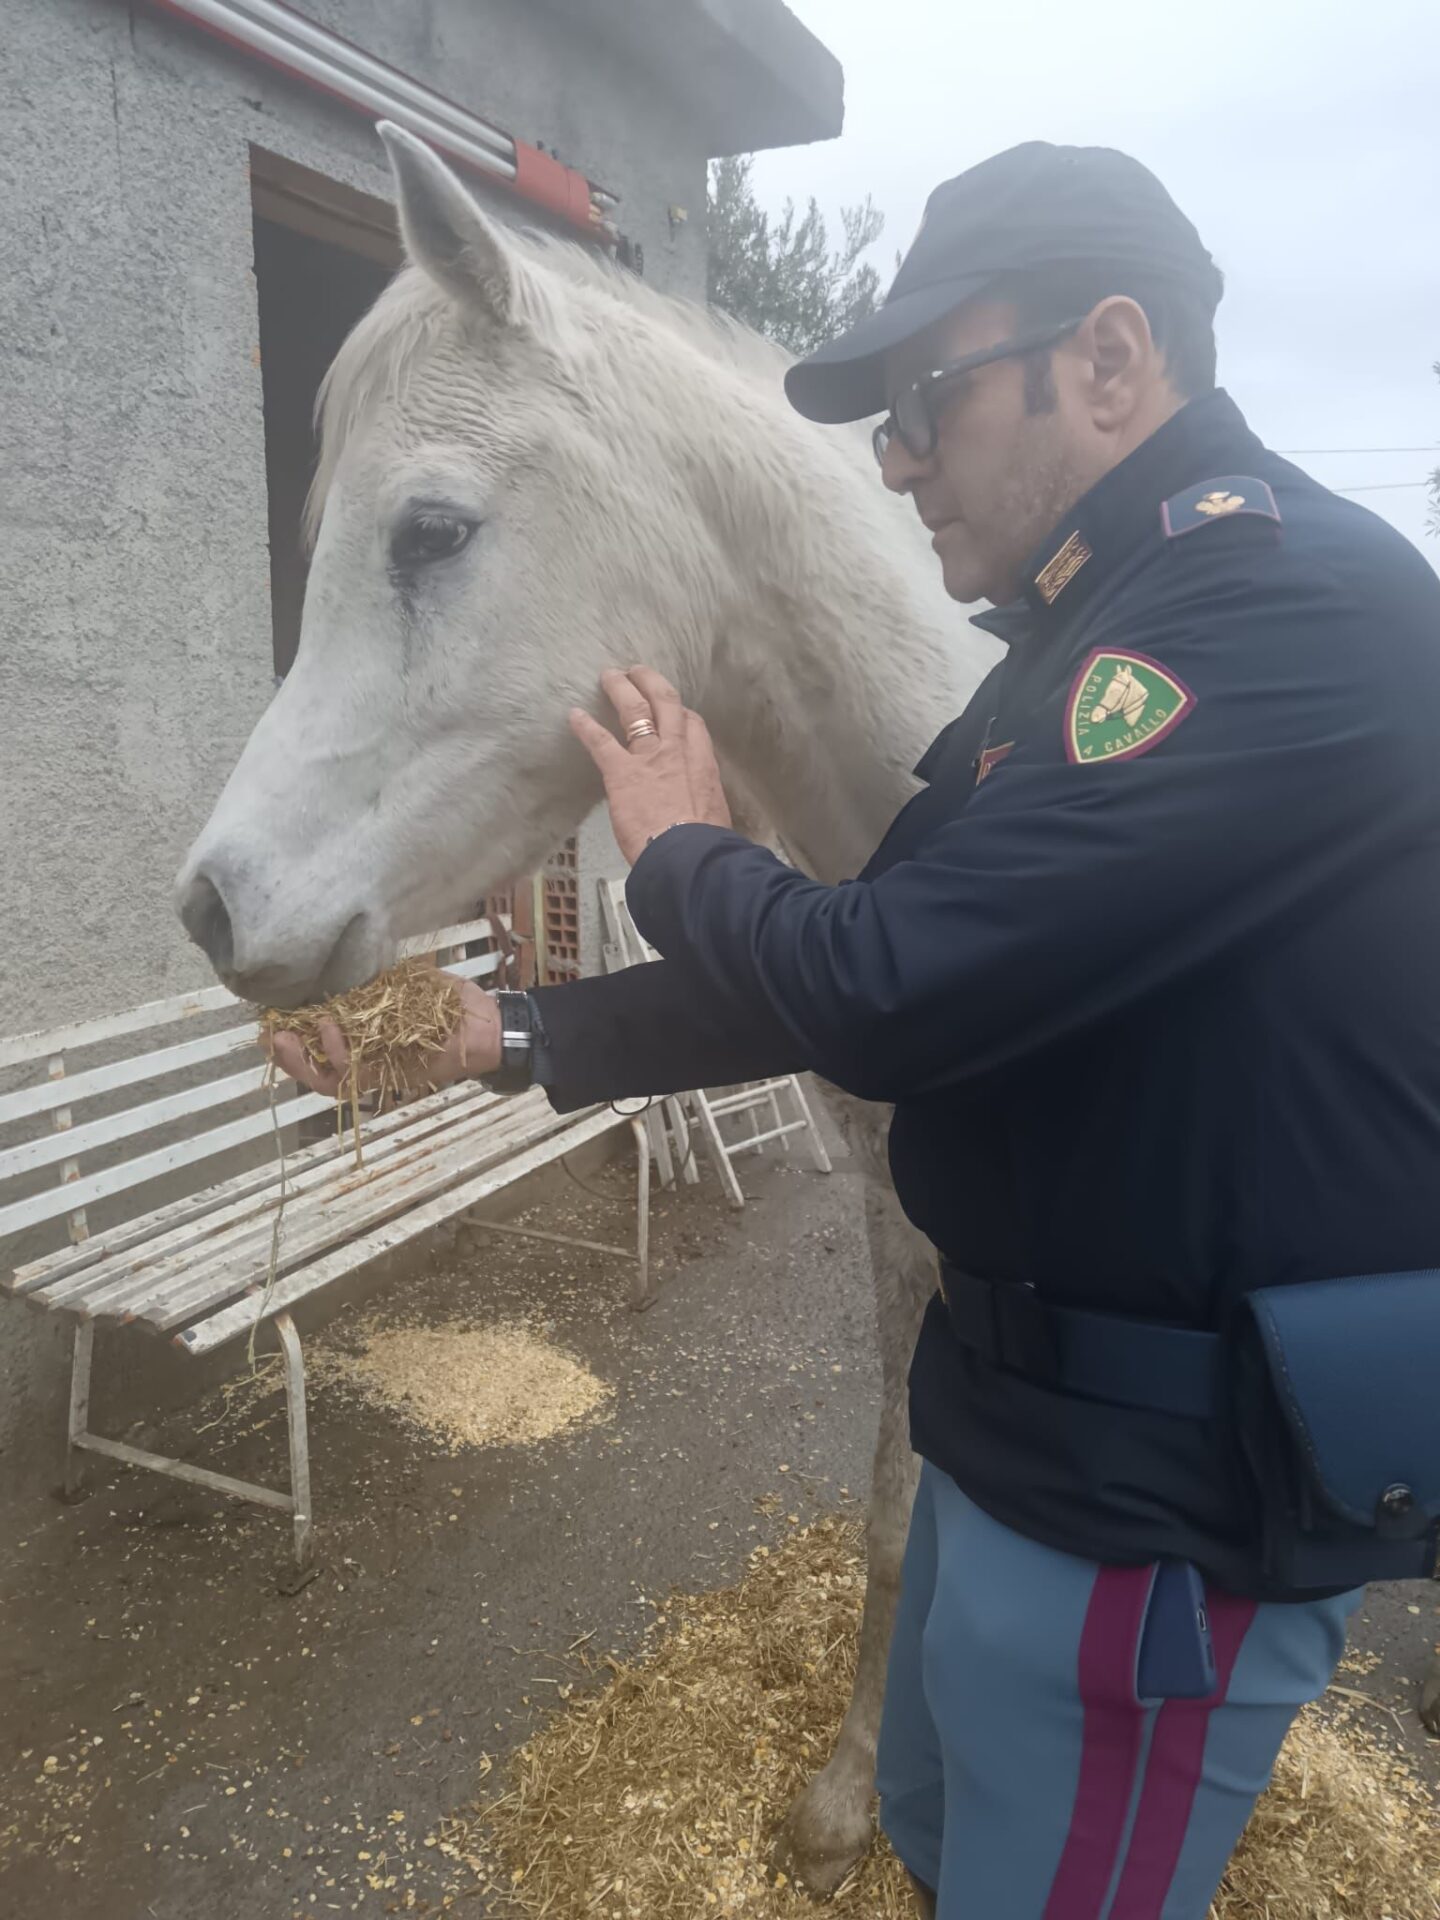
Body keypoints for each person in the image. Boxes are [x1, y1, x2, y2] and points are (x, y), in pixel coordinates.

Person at [272, 142, 1440, 1919]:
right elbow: (851, 953)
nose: (894, 461)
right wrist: (494, 1032)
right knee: (930, 1831)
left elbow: (888, 990)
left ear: (1109, 362)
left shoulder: (1285, 610)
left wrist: (676, 850)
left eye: (928, 403)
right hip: (1004, 1434)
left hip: (1158, 1510)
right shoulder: (1060, 652)